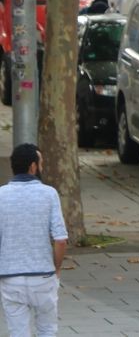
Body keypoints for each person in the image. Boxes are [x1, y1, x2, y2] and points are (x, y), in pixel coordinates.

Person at [0, 144, 68, 337]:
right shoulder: (49, 194)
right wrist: (56, 267)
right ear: (33, 167)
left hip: (10, 277)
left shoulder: (1, 195)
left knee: (18, 332)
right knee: (47, 330)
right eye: (41, 163)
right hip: (43, 276)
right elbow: (61, 239)